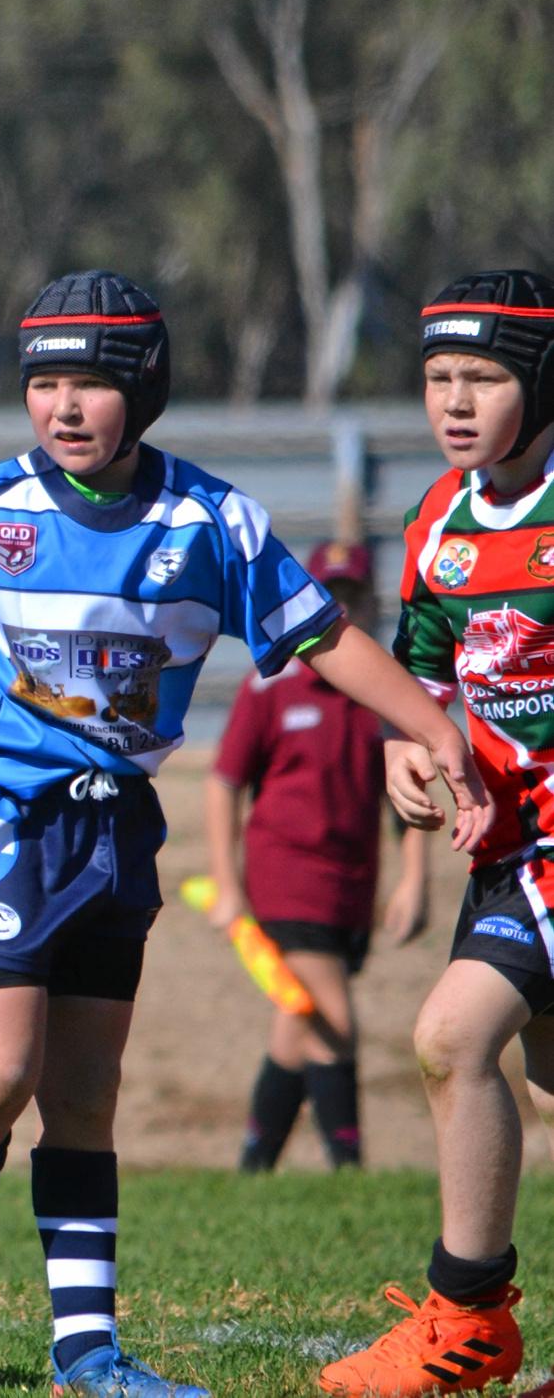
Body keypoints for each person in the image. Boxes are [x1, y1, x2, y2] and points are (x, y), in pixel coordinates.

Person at [0, 271, 487, 1398]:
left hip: (116, 829)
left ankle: (87, 1354)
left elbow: (319, 637)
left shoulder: (209, 521)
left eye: (92, 383)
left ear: (147, 388)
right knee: (2, 1065)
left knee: (84, 1092)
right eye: (46, 384)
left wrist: (428, 720)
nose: (65, 407)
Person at [322, 271, 554, 1397]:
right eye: (437, 379)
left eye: (487, 377)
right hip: (508, 848)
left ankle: (467, 1322)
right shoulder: (436, 522)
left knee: (451, 1038)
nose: (455, 401)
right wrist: (404, 756)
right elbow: (419, 677)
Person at [205, 540, 426, 1174]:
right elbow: (224, 783)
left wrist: (414, 880)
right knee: (328, 1014)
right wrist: (228, 884)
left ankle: (256, 1163)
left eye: (351, 595)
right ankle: (346, 1163)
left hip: (351, 888)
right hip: (286, 880)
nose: (341, 608)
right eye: (329, 594)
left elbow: (403, 799)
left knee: (296, 1024)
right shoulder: (271, 685)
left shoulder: (382, 693)